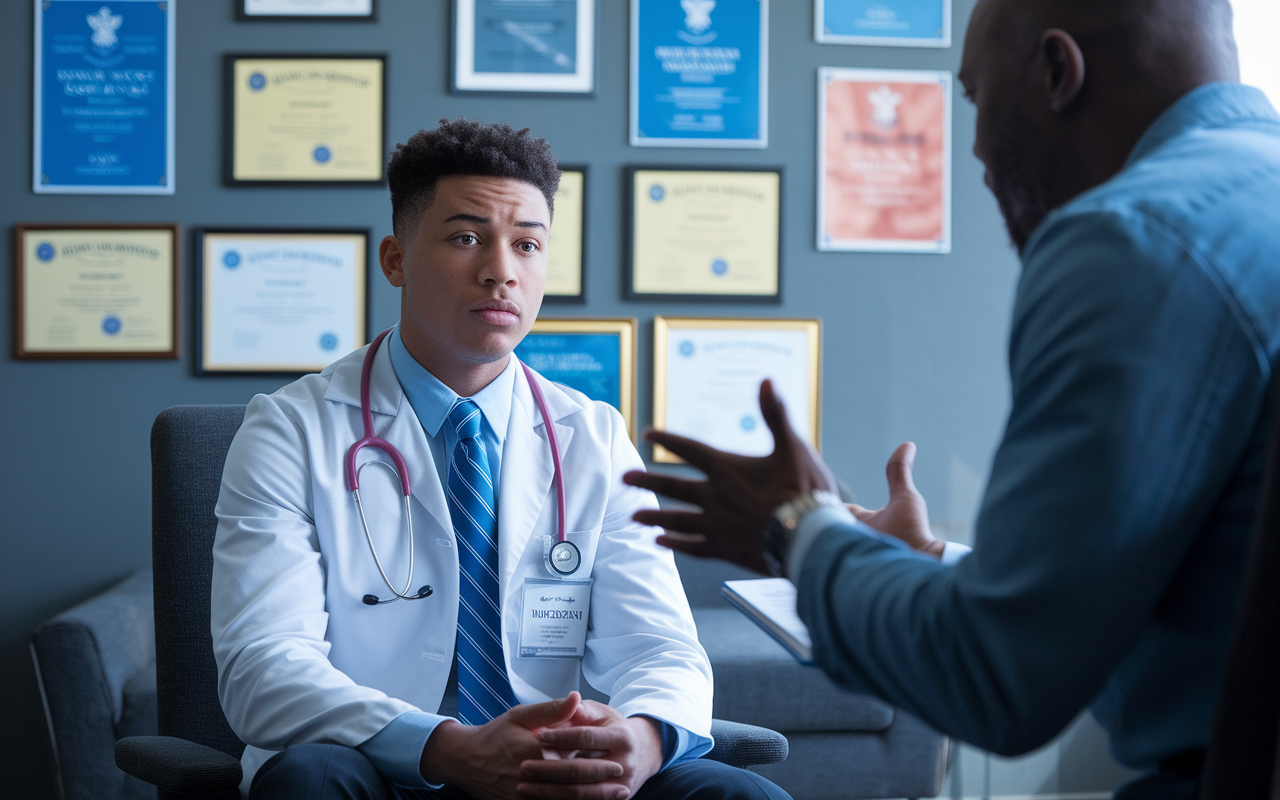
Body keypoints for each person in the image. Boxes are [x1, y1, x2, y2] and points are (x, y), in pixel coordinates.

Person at [622, 1, 1280, 798]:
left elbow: (1000, 676)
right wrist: (936, 563)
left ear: (1055, 72)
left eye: (972, 99)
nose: (972, 147)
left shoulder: (1132, 236)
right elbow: (1186, 580)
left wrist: (796, 527)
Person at [211, 118, 789, 800]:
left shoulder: (593, 435)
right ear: (395, 259)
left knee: (739, 797)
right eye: (465, 238)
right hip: (379, 764)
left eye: (528, 244)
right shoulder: (289, 430)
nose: (501, 271)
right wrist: (444, 746)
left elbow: (659, 648)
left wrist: (646, 737)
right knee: (310, 778)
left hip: (551, 775)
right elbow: (264, 668)